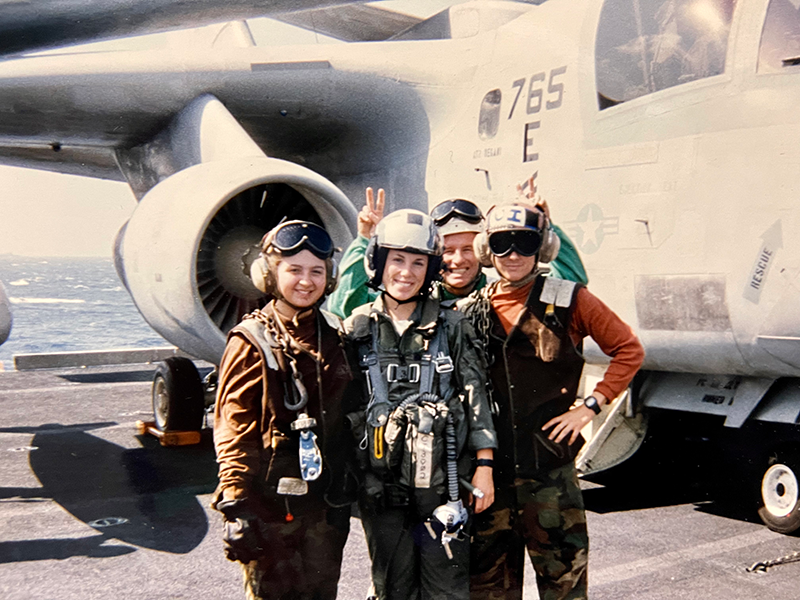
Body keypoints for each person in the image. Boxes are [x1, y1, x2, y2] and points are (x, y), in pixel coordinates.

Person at [459, 202, 645, 600]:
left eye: (525, 243)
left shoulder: (570, 299)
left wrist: (590, 406)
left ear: (542, 248)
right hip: (489, 477)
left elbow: (629, 349)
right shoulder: (472, 308)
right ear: (486, 249)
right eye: (502, 243)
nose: (513, 254)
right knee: (487, 589)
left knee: (564, 587)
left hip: (550, 476)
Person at [342, 208, 498, 600]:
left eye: (418, 263)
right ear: (378, 263)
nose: (406, 273)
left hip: (443, 486)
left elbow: (475, 397)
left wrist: (484, 467)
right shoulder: (357, 328)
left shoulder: (453, 325)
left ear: (430, 270)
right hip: (381, 488)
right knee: (391, 588)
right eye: (397, 260)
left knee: (446, 589)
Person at [212, 220, 354, 600]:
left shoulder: (337, 335)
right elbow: (234, 430)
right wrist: (235, 504)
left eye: (316, 271)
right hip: (270, 512)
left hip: (326, 510)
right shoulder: (250, 342)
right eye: (294, 270)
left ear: (330, 277)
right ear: (269, 275)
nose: (306, 281)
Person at [327, 186, 587, 319]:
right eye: (448, 251)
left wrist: (546, 228)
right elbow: (345, 306)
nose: (458, 260)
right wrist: (363, 240)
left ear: (483, 250)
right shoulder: (410, 300)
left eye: (467, 249)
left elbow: (570, 284)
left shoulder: (504, 296)